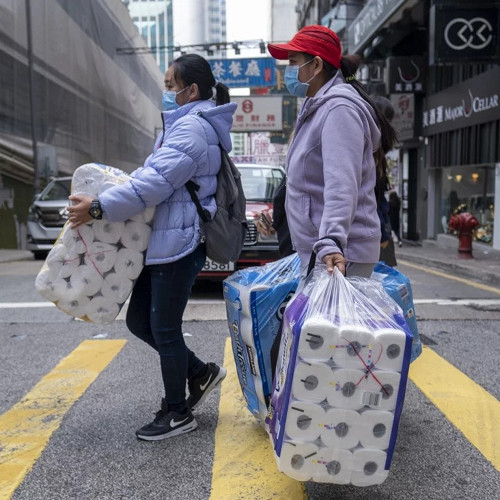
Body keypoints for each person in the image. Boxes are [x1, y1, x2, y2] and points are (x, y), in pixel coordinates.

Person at [67, 54, 236, 441]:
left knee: (163, 326)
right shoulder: (181, 125)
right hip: (162, 240)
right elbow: (147, 175)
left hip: (179, 241)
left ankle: (178, 412)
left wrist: (98, 207)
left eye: (170, 85)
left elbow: (154, 184)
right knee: (140, 321)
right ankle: (199, 372)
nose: (166, 93)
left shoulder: (193, 129)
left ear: (191, 90)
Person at [267, 25, 397, 278]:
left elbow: (342, 183)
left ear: (316, 65)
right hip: (322, 250)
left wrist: (332, 240)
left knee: (330, 318)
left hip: (338, 254)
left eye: (293, 62)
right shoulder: (317, 107)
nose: (288, 71)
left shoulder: (338, 110)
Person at [372, 95, 398, 265]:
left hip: (379, 228)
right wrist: (382, 233)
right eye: (388, 120)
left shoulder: (377, 153)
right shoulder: (370, 153)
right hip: (375, 232)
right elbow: (371, 200)